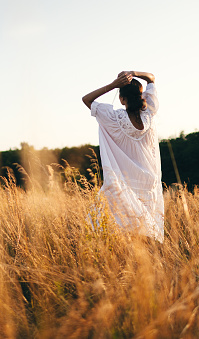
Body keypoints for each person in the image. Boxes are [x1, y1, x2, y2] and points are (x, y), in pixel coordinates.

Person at [82, 71, 164, 242]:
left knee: (110, 226)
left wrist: (113, 84)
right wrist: (133, 73)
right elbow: (151, 78)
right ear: (141, 96)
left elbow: (87, 100)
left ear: (121, 99)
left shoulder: (113, 118)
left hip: (124, 182)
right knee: (145, 233)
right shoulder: (149, 114)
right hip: (147, 182)